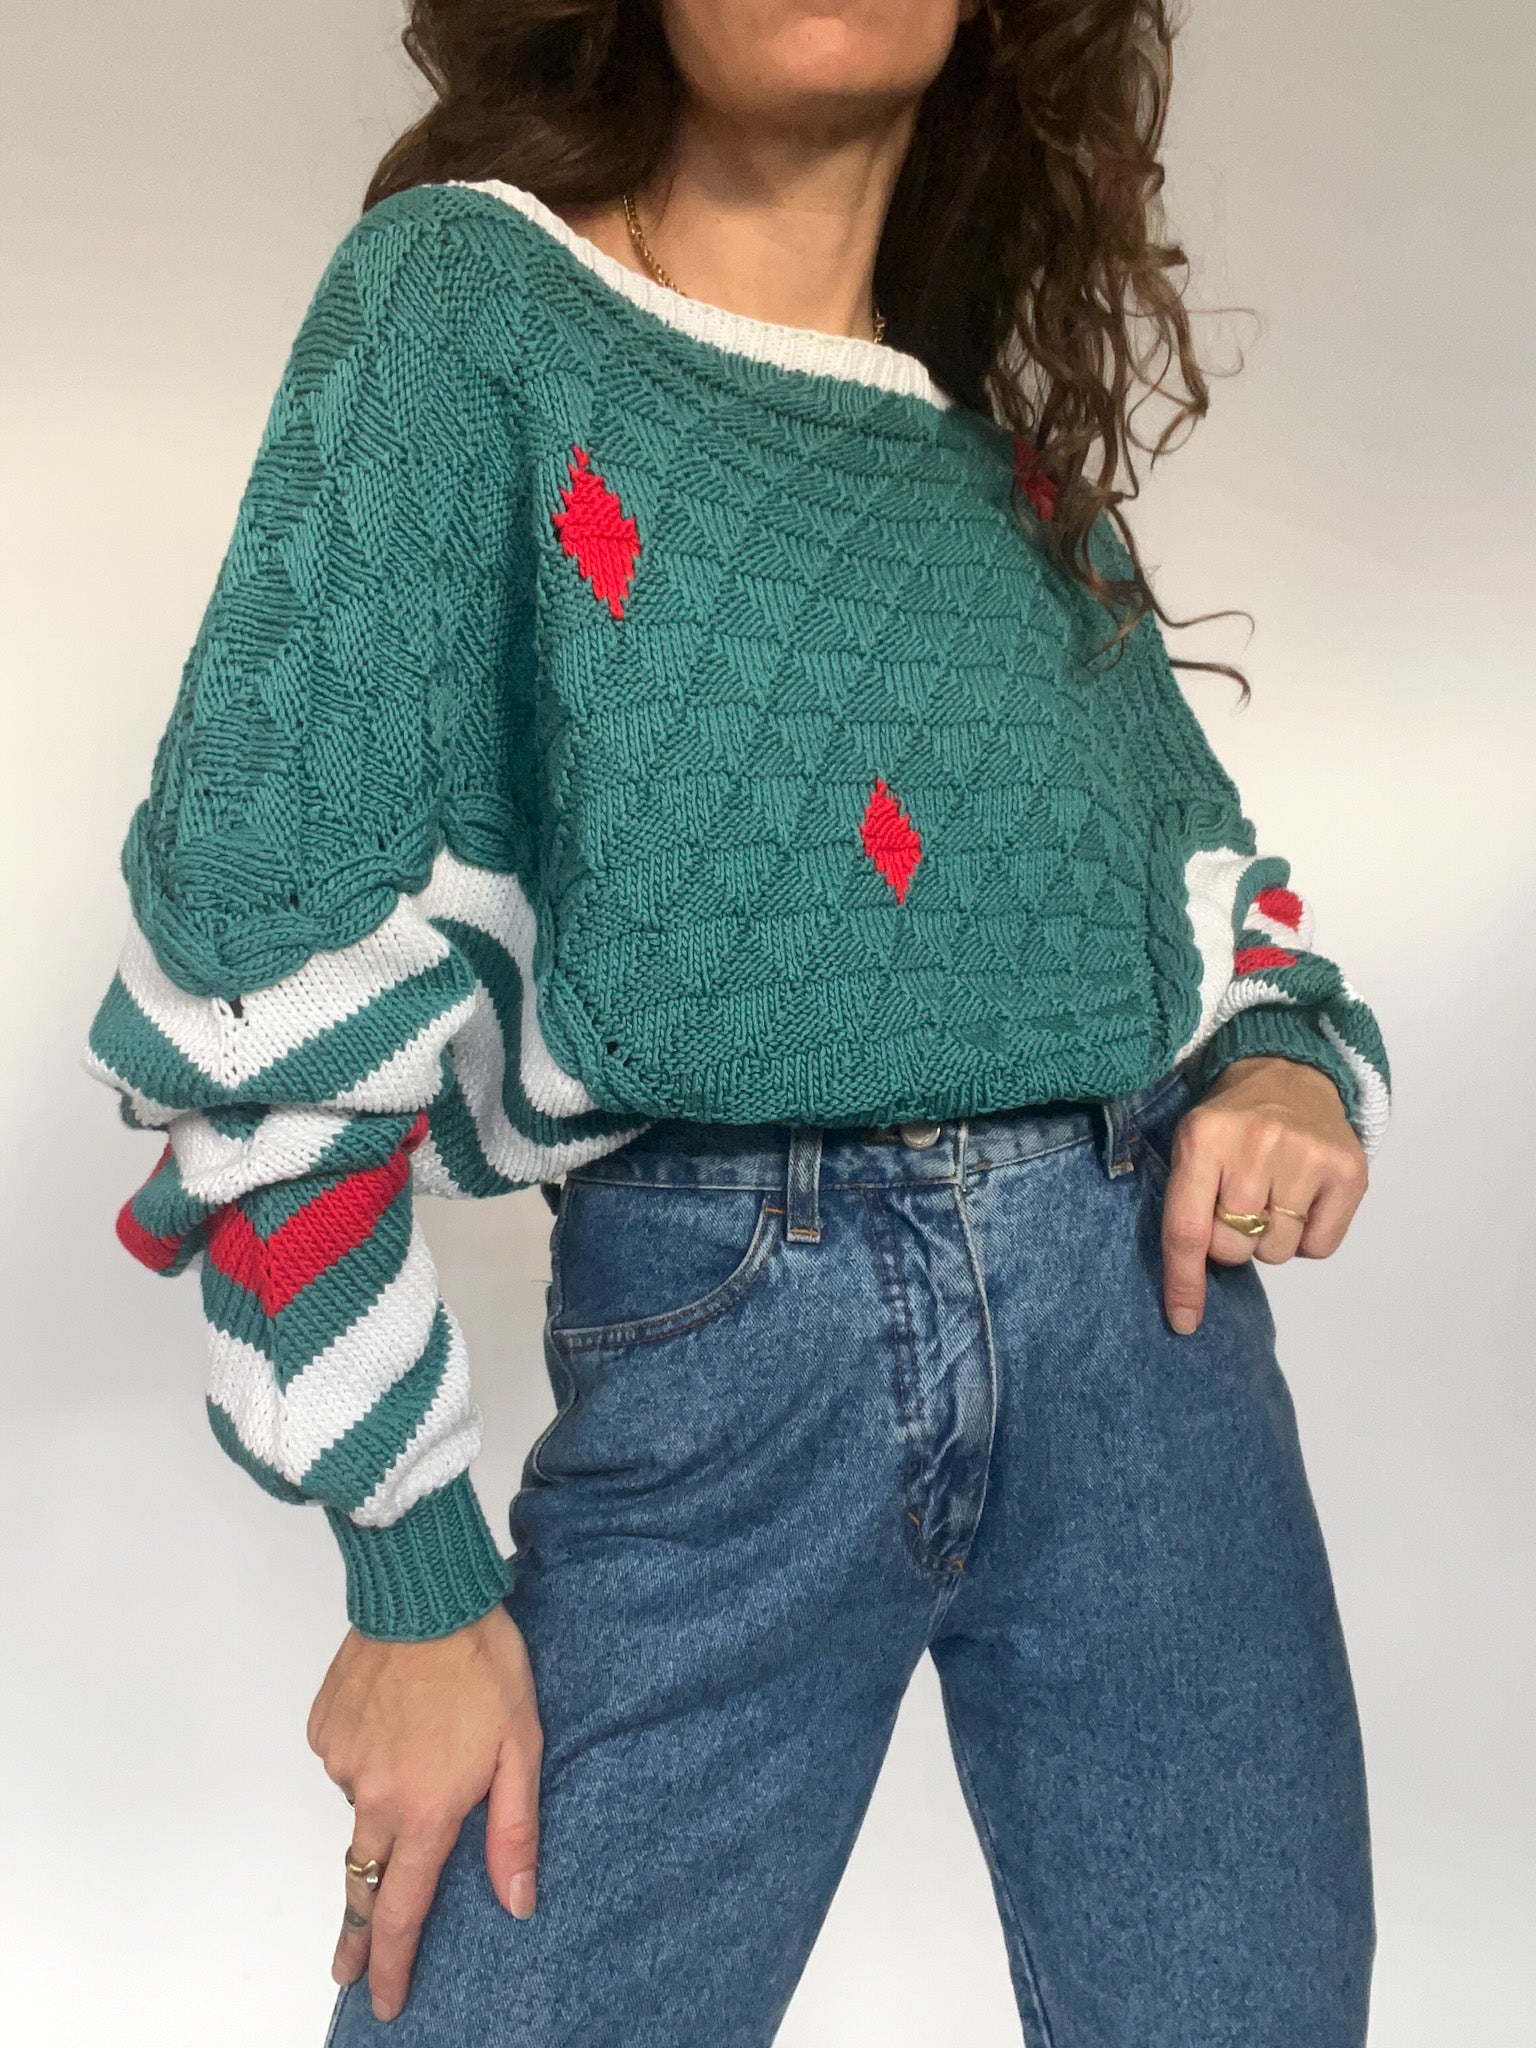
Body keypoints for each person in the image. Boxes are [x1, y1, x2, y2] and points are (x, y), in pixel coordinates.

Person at [85, 3, 1390, 2042]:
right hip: (731, 1355)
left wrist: (1292, 1069)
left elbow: (1230, 913)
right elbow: (266, 986)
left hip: (1156, 1358)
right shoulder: (469, 309)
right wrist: (411, 1582)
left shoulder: (999, 475)